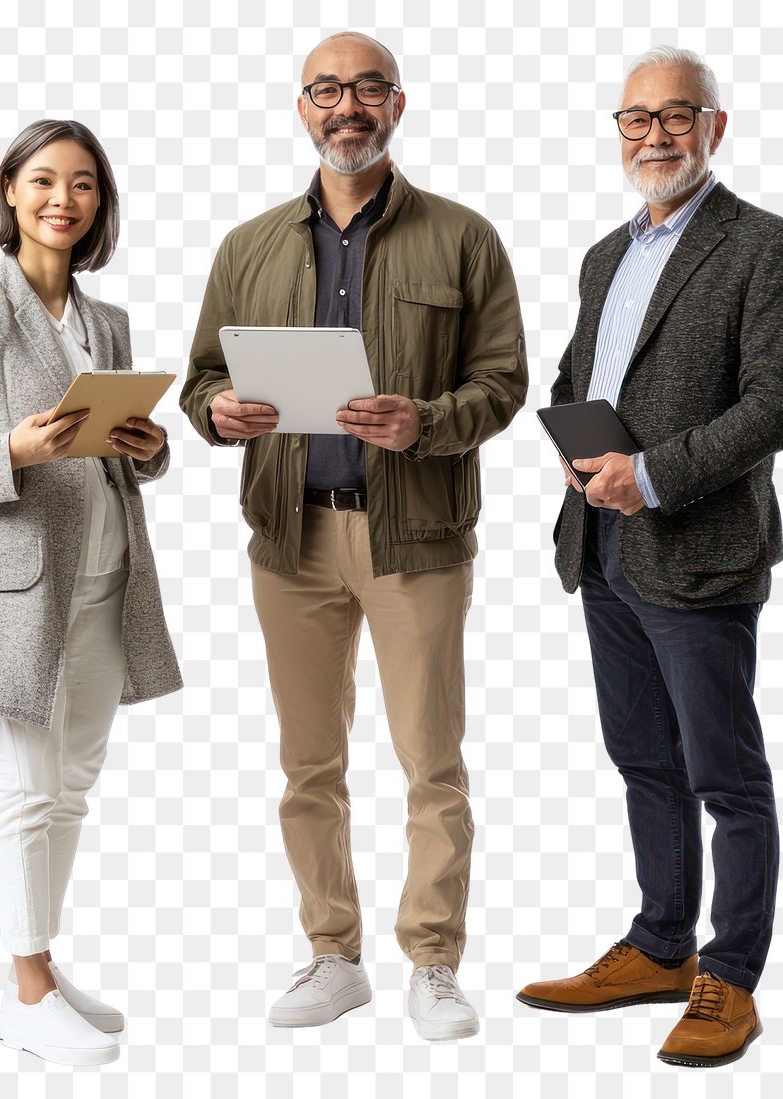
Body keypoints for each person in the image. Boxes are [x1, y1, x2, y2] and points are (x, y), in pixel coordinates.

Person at [181, 32, 526, 1040]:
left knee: (432, 764)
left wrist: (430, 420)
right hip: (289, 543)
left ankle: (433, 959)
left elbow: (501, 380)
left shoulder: (462, 236)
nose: (348, 105)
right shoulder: (247, 245)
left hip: (414, 538)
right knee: (308, 765)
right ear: (302, 108)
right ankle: (334, 954)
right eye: (328, 89)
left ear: (398, 105)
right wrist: (219, 412)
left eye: (367, 89)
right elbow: (202, 373)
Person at [516, 47, 783, 1067]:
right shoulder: (606, 253)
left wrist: (647, 474)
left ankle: (727, 976)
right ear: (617, 131)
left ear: (715, 128)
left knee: (722, 775)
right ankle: (657, 944)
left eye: (677, 115)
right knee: (640, 757)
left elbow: (772, 407)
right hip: (599, 543)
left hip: (697, 552)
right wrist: (576, 451)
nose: (655, 134)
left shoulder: (767, 246)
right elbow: (577, 367)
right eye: (636, 118)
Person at [0, 120, 182, 1066]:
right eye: (44, 180)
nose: (64, 198)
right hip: (8, 593)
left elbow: (125, 452)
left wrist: (151, 448)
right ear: (9, 192)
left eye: (84, 183)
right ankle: (25, 990)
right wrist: (7, 452)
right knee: (24, 789)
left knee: (72, 789)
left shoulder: (107, 323)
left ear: (101, 203)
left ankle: (44, 964)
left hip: (103, 578)